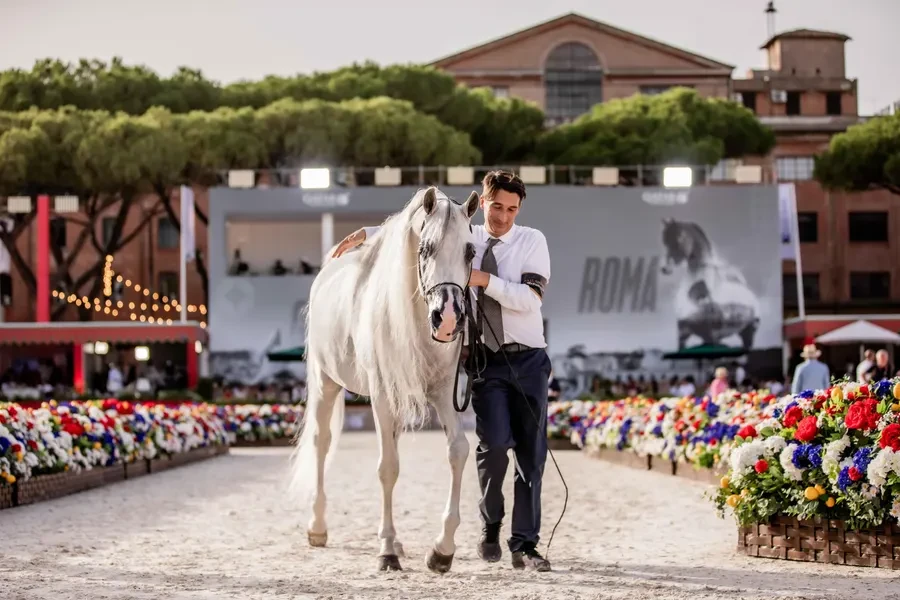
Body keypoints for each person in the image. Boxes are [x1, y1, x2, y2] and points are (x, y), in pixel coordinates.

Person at [331, 170, 553, 571]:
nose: (503, 216)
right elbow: (413, 231)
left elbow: (532, 297)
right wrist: (366, 234)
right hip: (484, 360)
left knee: (532, 457)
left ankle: (526, 544)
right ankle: (491, 528)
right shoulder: (464, 234)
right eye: (497, 206)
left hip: (528, 359)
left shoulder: (531, 241)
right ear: (481, 204)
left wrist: (482, 279)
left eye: (512, 209)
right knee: (494, 449)